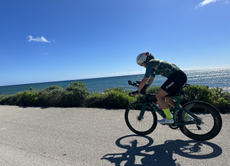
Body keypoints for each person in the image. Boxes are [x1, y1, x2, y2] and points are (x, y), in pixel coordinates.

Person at [131, 52, 190, 124]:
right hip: (180, 77)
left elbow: (145, 79)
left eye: (141, 64)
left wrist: (138, 90)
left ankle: (169, 119)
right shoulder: (154, 65)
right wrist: (145, 89)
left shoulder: (150, 63)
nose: (142, 66)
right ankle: (186, 116)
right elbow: (150, 80)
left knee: (158, 95)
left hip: (176, 77)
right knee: (168, 99)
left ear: (145, 60)